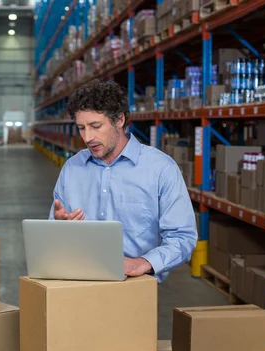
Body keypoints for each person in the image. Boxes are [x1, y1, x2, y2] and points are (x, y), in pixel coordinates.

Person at [49, 79, 197, 282]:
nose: (87, 137)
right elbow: (51, 237)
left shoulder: (161, 169)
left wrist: (144, 262)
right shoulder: (72, 169)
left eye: (95, 126)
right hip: (77, 282)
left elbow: (183, 237)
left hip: (134, 286)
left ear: (119, 120)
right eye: (81, 128)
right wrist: (58, 228)